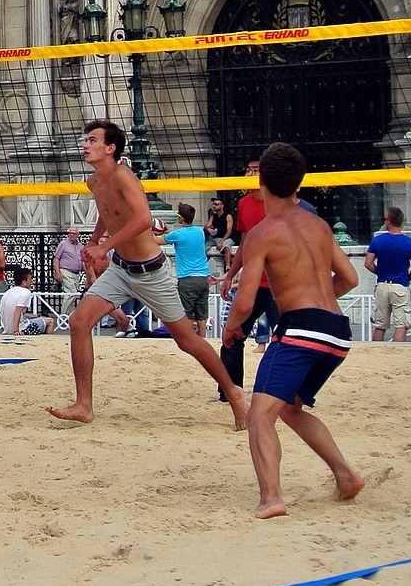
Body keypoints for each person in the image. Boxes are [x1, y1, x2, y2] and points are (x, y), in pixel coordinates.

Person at [49, 120, 247, 427]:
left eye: (91, 140)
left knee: (187, 340)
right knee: (78, 322)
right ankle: (83, 404)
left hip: (151, 272)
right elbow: (107, 213)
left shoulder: (124, 177)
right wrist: (92, 240)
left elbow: (143, 219)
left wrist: (104, 248)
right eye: (85, 140)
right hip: (120, 270)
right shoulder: (94, 181)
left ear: (110, 148)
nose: (84, 145)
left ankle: (234, 393)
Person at [224, 141, 366, 519]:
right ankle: (346, 474)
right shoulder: (318, 225)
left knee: (259, 415)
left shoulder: (262, 233)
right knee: (289, 409)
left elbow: (243, 302)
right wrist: (320, 310)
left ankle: (271, 498)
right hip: (337, 330)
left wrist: (229, 330)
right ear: (299, 184)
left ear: (260, 182)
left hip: (302, 330)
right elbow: (350, 278)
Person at [220, 158, 278, 391]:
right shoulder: (244, 203)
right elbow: (244, 242)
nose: (250, 174)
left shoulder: (279, 203)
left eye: (255, 171)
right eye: (247, 170)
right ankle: (230, 390)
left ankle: (288, 391)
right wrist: (230, 274)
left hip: (277, 285)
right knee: (232, 336)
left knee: (287, 339)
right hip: (252, 282)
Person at [364, 207, 411, 343]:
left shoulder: (377, 241)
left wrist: (380, 272)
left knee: (380, 325)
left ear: (389, 222)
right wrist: (408, 277)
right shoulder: (409, 243)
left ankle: (377, 354)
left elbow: (368, 264)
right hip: (400, 285)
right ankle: (398, 354)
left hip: (383, 284)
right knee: (401, 325)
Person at [169, 202, 213, 331]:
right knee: (201, 315)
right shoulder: (200, 231)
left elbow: (158, 241)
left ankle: (190, 339)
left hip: (187, 278)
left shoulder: (177, 234)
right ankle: (203, 340)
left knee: (187, 314)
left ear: (181, 218)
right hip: (203, 277)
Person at [0, 266, 38, 335]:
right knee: (49, 321)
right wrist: (16, 330)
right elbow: (17, 310)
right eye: (30, 279)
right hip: (20, 328)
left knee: (37, 319)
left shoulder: (9, 291)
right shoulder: (26, 292)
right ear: (24, 282)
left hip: (6, 328)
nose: (32, 281)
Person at [53, 226, 85, 298]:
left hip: (76, 274)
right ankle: (65, 310)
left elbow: (82, 260)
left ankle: (70, 309)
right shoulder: (63, 244)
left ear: (78, 235)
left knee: (73, 294)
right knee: (71, 293)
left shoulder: (80, 246)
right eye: (70, 233)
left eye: (74, 233)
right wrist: (58, 273)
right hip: (66, 272)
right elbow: (56, 258)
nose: (72, 235)